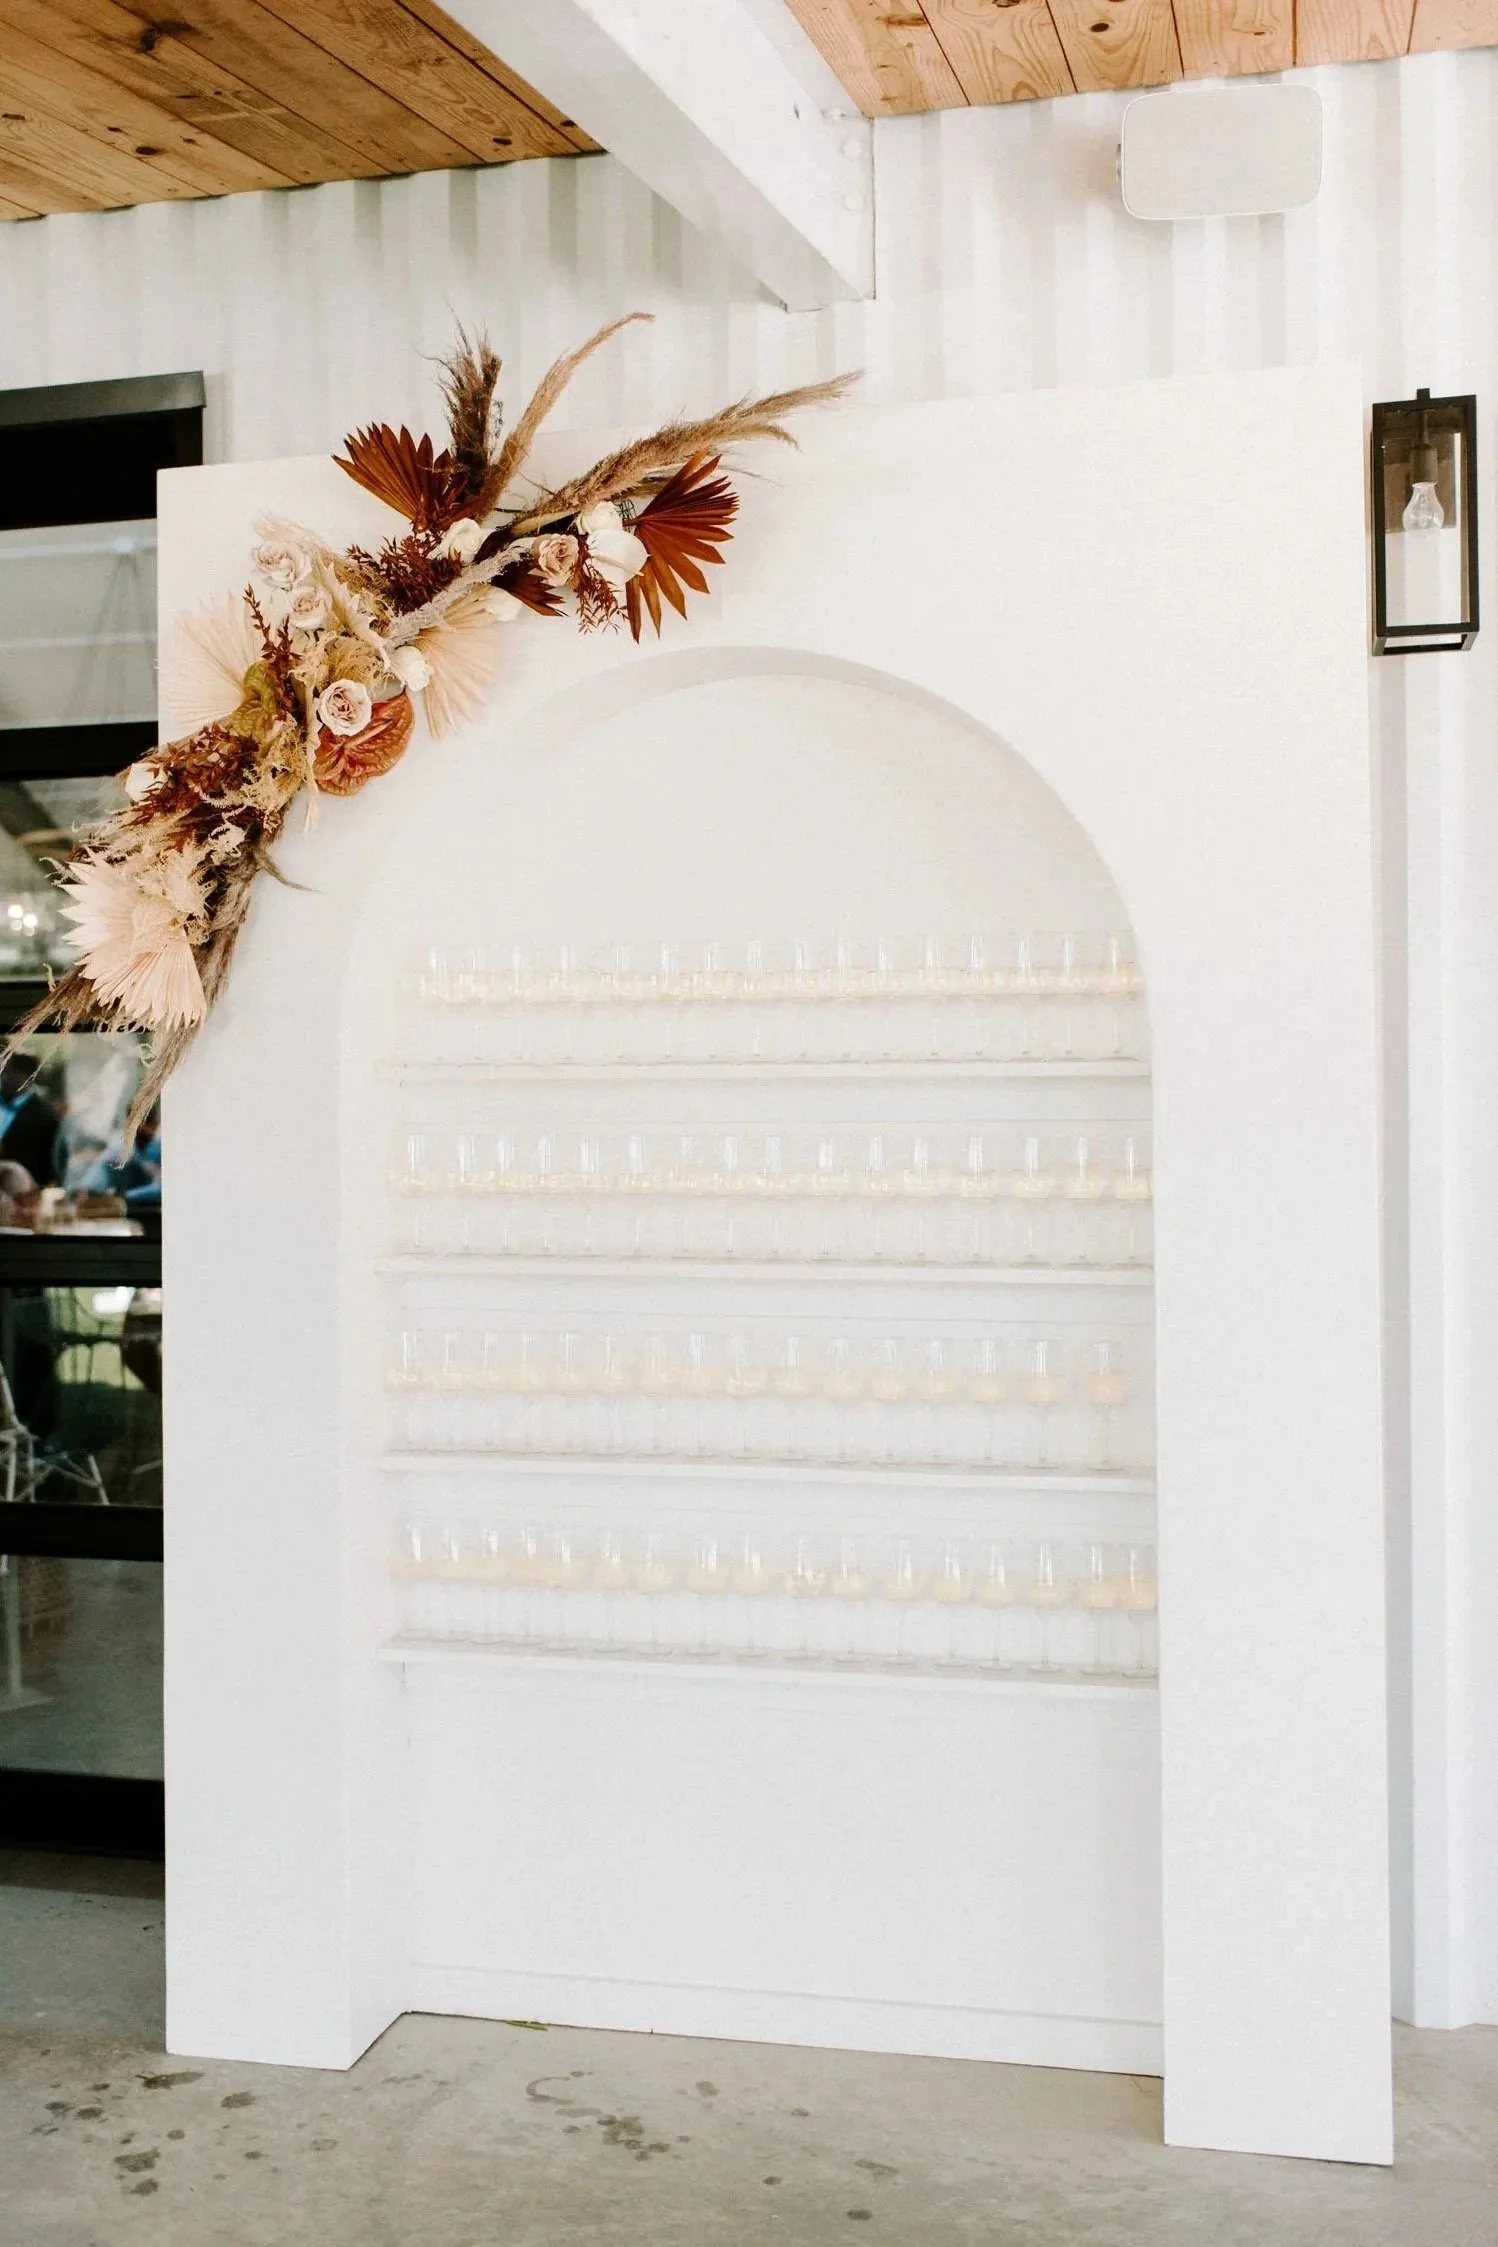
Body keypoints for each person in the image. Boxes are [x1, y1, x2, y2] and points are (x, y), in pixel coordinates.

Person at [0, 1054, 61, 1188]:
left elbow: (50, 1157)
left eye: (9, 1072)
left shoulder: (44, 1114)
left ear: (26, 1076)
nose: (4, 1077)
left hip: (27, 1189)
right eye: (3, 1071)